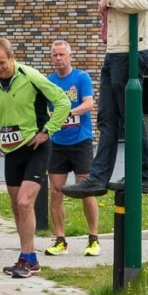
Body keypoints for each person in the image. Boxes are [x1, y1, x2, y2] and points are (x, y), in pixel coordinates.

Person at [63, 0, 148, 198]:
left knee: (129, 116)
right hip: (113, 52)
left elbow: (143, 1)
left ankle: (141, 177)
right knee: (106, 118)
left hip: (131, 52)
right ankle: (99, 178)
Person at [0, 38, 70, 279]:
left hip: (36, 147)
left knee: (25, 203)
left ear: (12, 57)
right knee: (17, 207)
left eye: (2, 62)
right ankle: (30, 258)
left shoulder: (30, 76)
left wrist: (47, 131)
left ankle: (25, 259)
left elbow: (62, 101)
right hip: (11, 150)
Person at [44, 40, 100, 257]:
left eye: (61, 55)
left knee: (85, 188)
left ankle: (93, 239)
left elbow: (89, 104)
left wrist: (68, 113)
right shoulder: (48, 81)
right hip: (57, 143)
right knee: (56, 190)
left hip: (80, 141)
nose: (58, 58)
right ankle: (60, 240)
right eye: (54, 55)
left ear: (69, 56)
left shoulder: (81, 77)